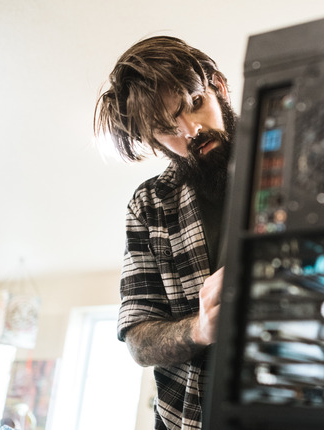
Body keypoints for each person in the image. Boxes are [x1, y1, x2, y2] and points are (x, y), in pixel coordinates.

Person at [94, 35, 236, 429]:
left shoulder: (296, 163)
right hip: (190, 418)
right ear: (154, 143)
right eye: (167, 129)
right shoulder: (149, 205)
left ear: (219, 87)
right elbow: (139, 341)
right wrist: (201, 328)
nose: (191, 130)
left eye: (195, 104)